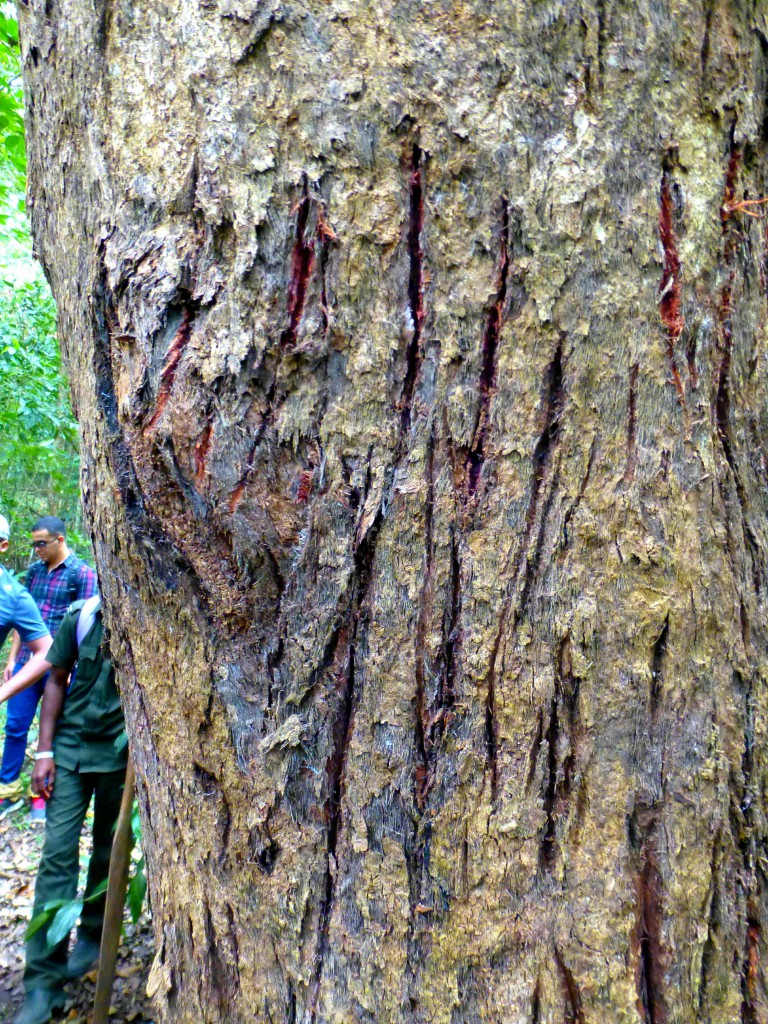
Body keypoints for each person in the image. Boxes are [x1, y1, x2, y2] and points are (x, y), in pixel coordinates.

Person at [1, 594, 128, 1024]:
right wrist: (43, 752)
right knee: (57, 856)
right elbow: (56, 678)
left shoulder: (155, 618)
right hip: (71, 752)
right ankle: (42, 982)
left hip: (122, 762)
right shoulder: (84, 615)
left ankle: (93, 935)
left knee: (110, 855)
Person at [0, 516, 97, 822]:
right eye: (34, 544)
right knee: (15, 725)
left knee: (51, 730)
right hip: (30, 661)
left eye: (42, 543)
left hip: (61, 668)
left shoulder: (81, 574)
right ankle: (8, 786)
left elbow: (85, 626)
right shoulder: (33, 573)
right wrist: (12, 658)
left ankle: (41, 794)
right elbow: (22, 623)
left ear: (59, 540)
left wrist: (75, 667)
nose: (37, 549)